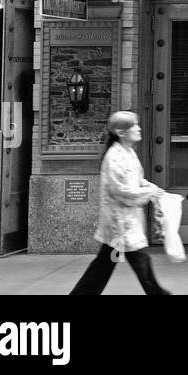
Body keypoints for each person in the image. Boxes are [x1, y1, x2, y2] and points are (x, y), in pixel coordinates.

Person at [70, 111, 171, 295]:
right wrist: (149, 193)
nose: (139, 129)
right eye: (135, 126)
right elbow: (121, 191)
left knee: (104, 264)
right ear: (121, 132)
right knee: (139, 262)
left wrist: (154, 189)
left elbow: (138, 181)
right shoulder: (113, 158)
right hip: (119, 223)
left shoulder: (128, 153)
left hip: (125, 223)